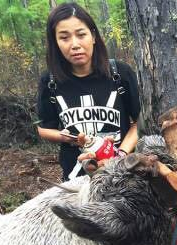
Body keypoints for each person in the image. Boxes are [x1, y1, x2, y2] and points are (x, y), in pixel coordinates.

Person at [36, 3, 140, 181]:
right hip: (76, 178)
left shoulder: (119, 73)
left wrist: (119, 156)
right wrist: (72, 138)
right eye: (64, 38)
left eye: (81, 34)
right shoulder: (50, 82)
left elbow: (140, 122)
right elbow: (44, 129)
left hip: (122, 176)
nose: (74, 44)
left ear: (93, 36)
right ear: (56, 43)